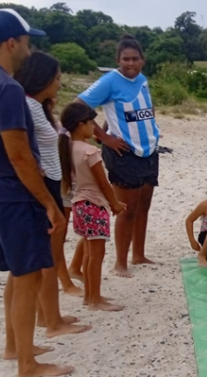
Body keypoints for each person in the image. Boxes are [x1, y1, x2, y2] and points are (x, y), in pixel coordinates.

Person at [0, 9, 72, 377]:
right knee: (29, 275)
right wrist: (47, 203)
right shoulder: (7, 87)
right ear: (11, 42)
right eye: (26, 42)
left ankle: (15, 347)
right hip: (12, 194)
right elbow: (19, 155)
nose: (28, 50)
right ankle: (27, 364)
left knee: (16, 272)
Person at [14, 51, 91, 340]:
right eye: (57, 78)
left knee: (47, 254)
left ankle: (49, 315)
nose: (60, 83)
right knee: (45, 256)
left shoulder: (38, 107)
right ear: (43, 78)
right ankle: (51, 321)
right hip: (43, 189)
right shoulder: (28, 107)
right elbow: (21, 149)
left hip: (51, 185)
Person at [78, 34, 160, 278]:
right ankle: (120, 263)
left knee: (144, 205)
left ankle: (139, 254)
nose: (131, 63)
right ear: (118, 59)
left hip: (149, 150)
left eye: (135, 59)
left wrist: (110, 126)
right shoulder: (109, 81)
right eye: (126, 59)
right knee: (127, 209)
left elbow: (125, 112)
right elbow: (78, 107)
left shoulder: (143, 80)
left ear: (143, 60)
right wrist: (105, 137)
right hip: (124, 153)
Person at [61, 102, 126, 312]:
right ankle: (95, 299)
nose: (94, 128)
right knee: (96, 255)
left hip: (79, 203)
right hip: (94, 205)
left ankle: (90, 297)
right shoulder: (90, 151)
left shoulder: (68, 147)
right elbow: (103, 183)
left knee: (89, 253)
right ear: (81, 125)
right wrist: (114, 203)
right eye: (91, 123)